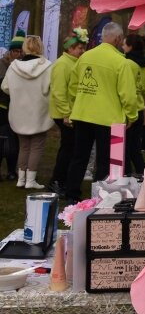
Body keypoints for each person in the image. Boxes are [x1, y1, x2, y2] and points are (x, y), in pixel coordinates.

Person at [64, 22, 138, 203]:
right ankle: (99, 196)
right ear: (118, 39)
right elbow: (127, 94)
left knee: (79, 156)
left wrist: (75, 106)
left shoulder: (85, 57)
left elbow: (73, 86)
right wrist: (132, 115)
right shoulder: (122, 62)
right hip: (108, 118)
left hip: (82, 114)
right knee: (105, 160)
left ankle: (72, 194)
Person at [1, 35, 54, 189]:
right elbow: (51, 88)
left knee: (24, 146)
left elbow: (5, 87)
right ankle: (31, 180)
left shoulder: (13, 66)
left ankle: (21, 179)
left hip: (19, 111)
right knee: (36, 146)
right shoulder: (48, 66)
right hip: (39, 111)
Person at [48, 28, 88, 195]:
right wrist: (66, 113)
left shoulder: (73, 62)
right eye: (79, 48)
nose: (82, 51)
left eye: (83, 48)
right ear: (70, 49)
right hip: (64, 114)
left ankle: (62, 180)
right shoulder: (62, 64)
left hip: (71, 113)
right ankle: (56, 181)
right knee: (68, 149)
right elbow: (58, 92)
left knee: (70, 148)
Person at [123, 33, 145, 175]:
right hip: (140, 109)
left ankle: (126, 176)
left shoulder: (126, 63)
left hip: (127, 110)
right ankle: (143, 175)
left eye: (124, 44)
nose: (122, 47)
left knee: (124, 149)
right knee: (135, 148)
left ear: (130, 47)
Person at [0, 30, 24, 181]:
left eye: (21, 51)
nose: (19, 54)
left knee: (14, 141)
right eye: (16, 51)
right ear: (10, 51)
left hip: (18, 109)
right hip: (2, 107)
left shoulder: (24, 66)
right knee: (2, 139)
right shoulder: (2, 64)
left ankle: (11, 171)